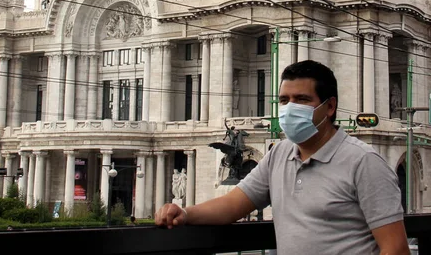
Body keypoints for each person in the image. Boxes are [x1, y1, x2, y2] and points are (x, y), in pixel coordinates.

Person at [155, 59, 410, 255]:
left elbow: (396, 248)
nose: (290, 109)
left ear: (330, 107)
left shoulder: (363, 161)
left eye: (301, 100)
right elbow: (233, 204)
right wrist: (185, 213)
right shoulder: (279, 154)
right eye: (284, 100)